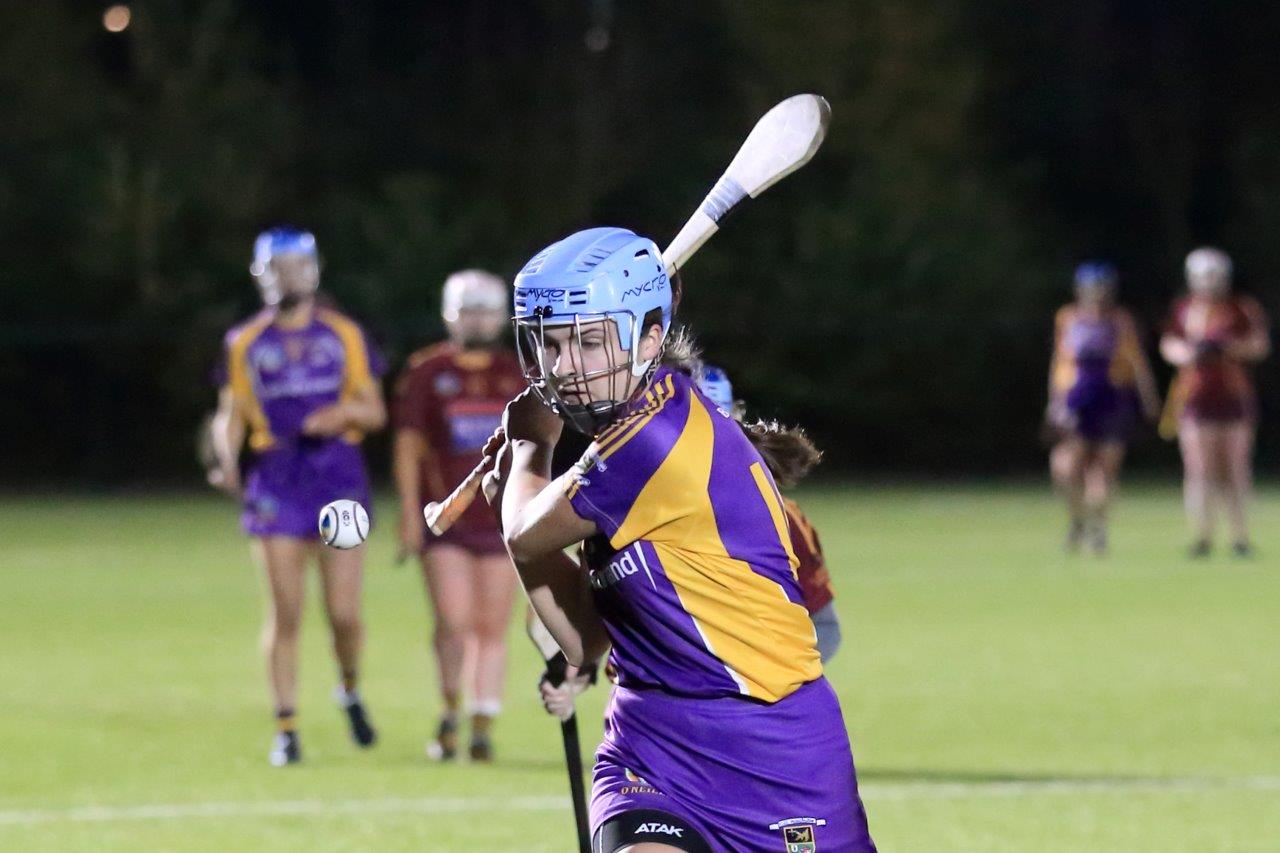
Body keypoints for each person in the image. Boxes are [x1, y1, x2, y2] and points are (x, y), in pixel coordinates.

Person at [484, 227, 876, 852]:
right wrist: (517, 497)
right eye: (550, 344)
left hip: (775, 746)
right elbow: (586, 640)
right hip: (649, 744)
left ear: (650, 337)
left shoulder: (655, 440)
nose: (563, 369)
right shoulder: (616, 446)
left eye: (588, 342)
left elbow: (527, 532)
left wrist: (530, 447)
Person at [209, 227, 386, 766]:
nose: (287, 276)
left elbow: (374, 411)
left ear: (313, 269)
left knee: (343, 614)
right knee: (286, 612)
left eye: (296, 265)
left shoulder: (344, 335)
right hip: (277, 480)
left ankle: (349, 689)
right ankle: (286, 727)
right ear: (261, 274)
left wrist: (340, 415)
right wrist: (225, 459)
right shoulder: (244, 342)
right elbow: (230, 412)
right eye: (276, 267)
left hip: (338, 480)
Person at [392, 270, 526, 761]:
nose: (478, 319)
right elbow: (409, 445)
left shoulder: (517, 374)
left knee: (492, 625)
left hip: (500, 519)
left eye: (486, 310)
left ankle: (482, 723)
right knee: (453, 619)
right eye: (468, 310)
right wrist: (410, 512)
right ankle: (450, 707)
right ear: (451, 313)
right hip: (444, 517)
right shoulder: (428, 371)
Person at [1159, 247, 1270, 557]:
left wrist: (1227, 348)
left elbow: (1259, 345)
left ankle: (1239, 536)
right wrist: (1190, 353)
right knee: (1199, 469)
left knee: (1235, 468)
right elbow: (1169, 345)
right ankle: (1202, 535)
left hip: (1234, 399)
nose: (1210, 284)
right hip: (1194, 398)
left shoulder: (1241, 308)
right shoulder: (1184, 310)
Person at [1046, 262, 1160, 554]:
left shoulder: (1121, 321)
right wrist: (1054, 400)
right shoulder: (1067, 318)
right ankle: (1077, 520)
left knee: (1103, 473)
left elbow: (1137, 363)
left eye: (1102, 289)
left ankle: (1098, 529)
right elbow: (1059, 362)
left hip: (1111, 401)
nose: (1097, 295)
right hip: (1076, 401)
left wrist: (1149, 399)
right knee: (1065, 467)